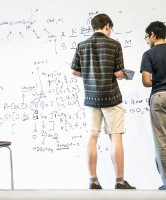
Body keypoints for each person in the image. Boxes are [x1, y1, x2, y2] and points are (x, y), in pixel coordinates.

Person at [71, 13, 136, 190]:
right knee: (115, 136)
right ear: (107, 26)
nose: (110, 32)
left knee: (92, 136)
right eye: (110, 29)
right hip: (111, 97)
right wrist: (124, 75)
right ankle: (120, 182)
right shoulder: (114, 44)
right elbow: (117, 73)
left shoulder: (81, 45)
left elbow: (75, 71)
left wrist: (92, 74)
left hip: (91, 98)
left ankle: (93, 180)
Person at [140, 21, 166, 190]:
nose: (147, 39)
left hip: (159, 96)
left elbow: (146, 81)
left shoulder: (148, 54)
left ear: (153, 35)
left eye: (147, 36)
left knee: (162, 141)